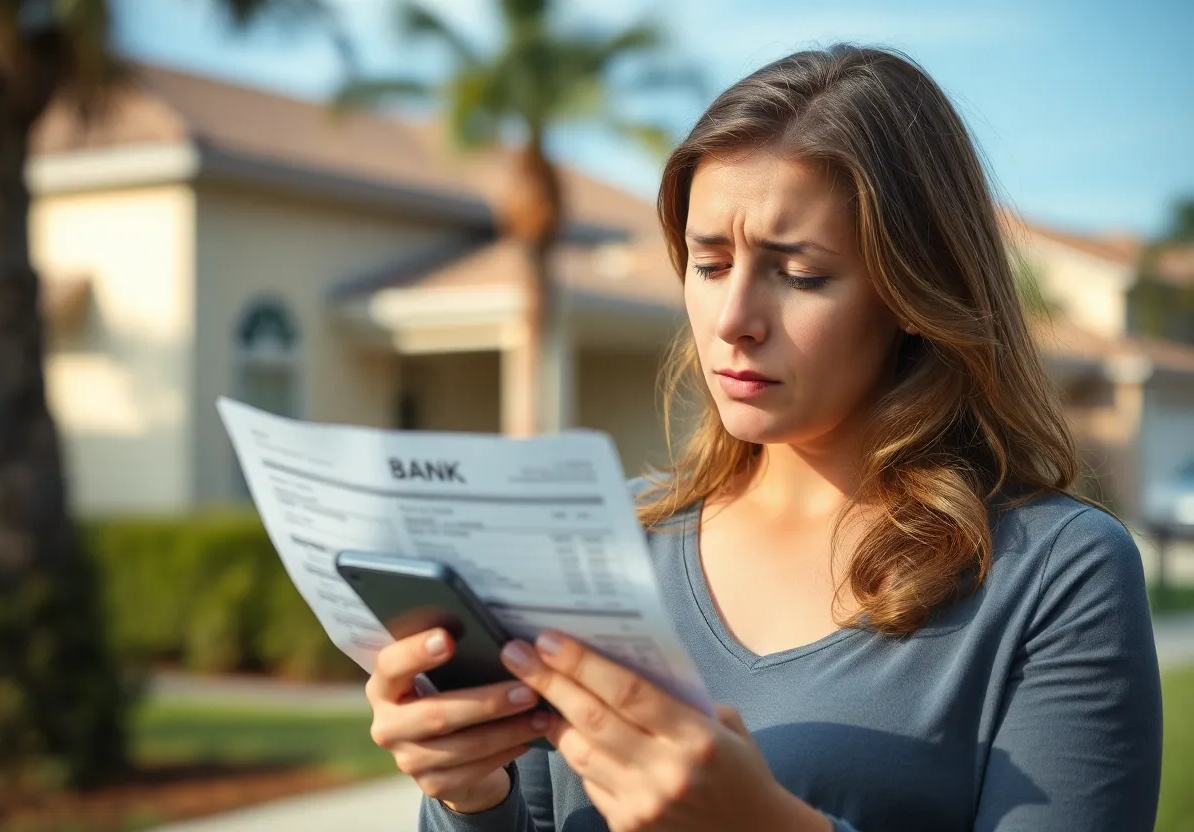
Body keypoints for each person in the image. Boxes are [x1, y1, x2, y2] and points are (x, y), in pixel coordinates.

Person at [364, 44, 1164, 831]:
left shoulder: (1057, 572)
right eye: (709, 265)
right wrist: (470, 796)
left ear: (913, 292)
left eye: (801, 274)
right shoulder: (601, 540)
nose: (734, 322)